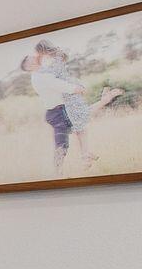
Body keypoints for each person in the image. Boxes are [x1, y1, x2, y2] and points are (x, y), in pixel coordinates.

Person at [21, 43, 122, 175]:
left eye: (34, 57)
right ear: (29, 67)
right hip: (57, 113)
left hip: (61, 109)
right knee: (63, 145)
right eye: (31, 59)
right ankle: (58, 173)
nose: (35, 58)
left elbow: (57, 68)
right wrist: (75, 89)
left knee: (81, 126)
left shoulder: (42, 71)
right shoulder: (40, 76)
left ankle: (85, 156)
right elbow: (57, 84)